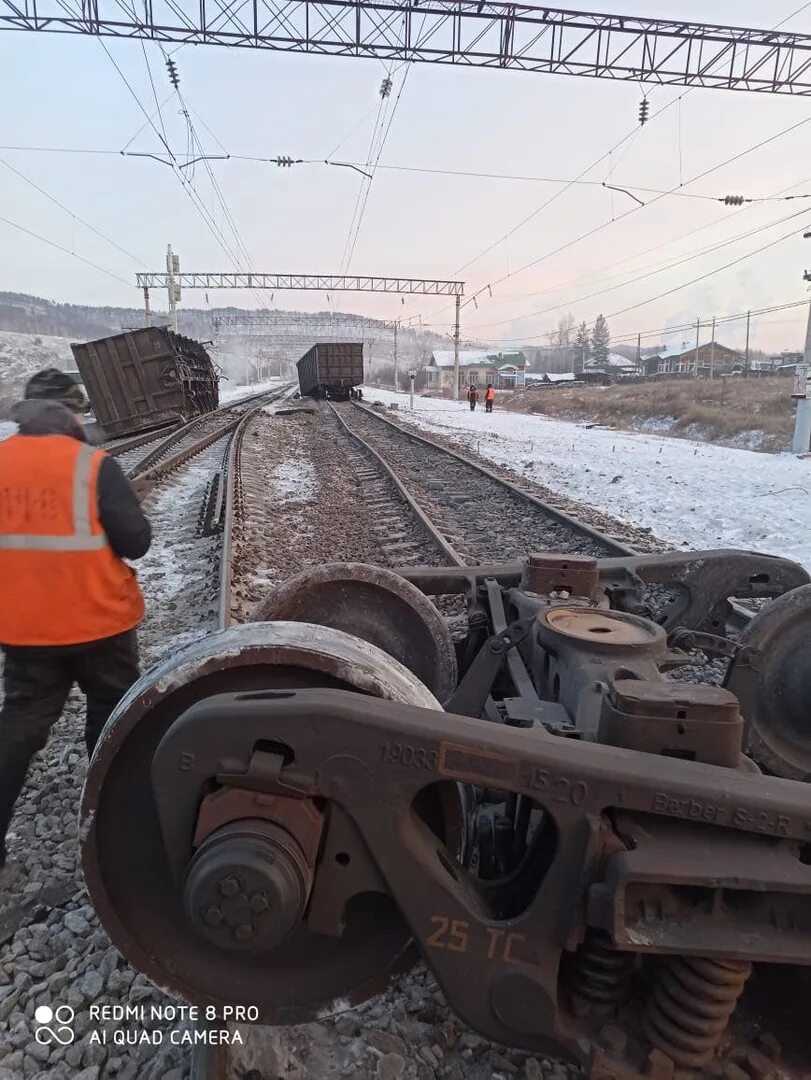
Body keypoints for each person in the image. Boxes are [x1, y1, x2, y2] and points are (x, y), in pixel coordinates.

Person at [0, 369, 152, 880]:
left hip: (24, 629)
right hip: (98, 621)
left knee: (19, 727)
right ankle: (112, 825)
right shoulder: (92, 465)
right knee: (112, 716)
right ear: (72, 411)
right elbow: (135, 541)